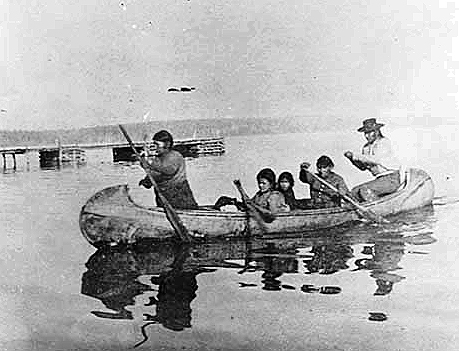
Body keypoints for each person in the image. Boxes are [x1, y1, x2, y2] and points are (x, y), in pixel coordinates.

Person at [344, 118, 401, 202]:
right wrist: (352, 159)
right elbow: (363, 167)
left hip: (391, 179)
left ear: (377, 131)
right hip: (379, 180)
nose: (366, 136)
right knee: (354, 192)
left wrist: (355, 156)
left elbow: (375, 159)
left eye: (369, 132)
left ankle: (380, 208)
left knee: (364, 190)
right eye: (365, 133)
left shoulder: (383, 142)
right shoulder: (366, 148)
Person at [138, 130, 198, 209]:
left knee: (184, 211)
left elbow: (168, 170)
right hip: (164, 198)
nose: (154, 147)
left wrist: (149, 162)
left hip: (179, 197)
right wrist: (147, 181)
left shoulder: (174, 156)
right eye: (154, 144)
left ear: (167, 144)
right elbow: (156, 174)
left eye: (157, 144)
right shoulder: (158, 158)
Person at [214, 168, 290, 215]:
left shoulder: (274, 195)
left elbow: (271, 214)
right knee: (223, 199)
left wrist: (254, 206)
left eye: (263, 183)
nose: (260, 185)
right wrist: (240, 188)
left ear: (271, 184)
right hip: (253, 214)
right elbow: (248, 203)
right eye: (259, 183)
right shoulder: (259, 194)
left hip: (264, 221)